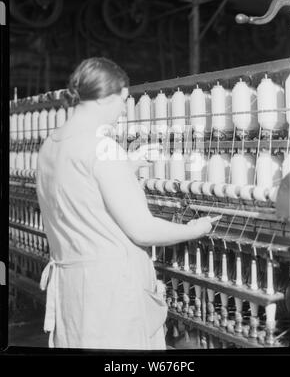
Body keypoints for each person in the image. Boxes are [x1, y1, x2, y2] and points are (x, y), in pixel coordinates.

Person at [36, 57, 213, 350]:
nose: (123, 110)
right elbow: (142, 230)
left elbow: (77, 191)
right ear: (106, 98)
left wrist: (124, 167)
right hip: (111, 295)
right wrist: (195, 229)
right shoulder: (103, 148)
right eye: (124, 100)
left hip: (73, 289)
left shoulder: (51, 144)